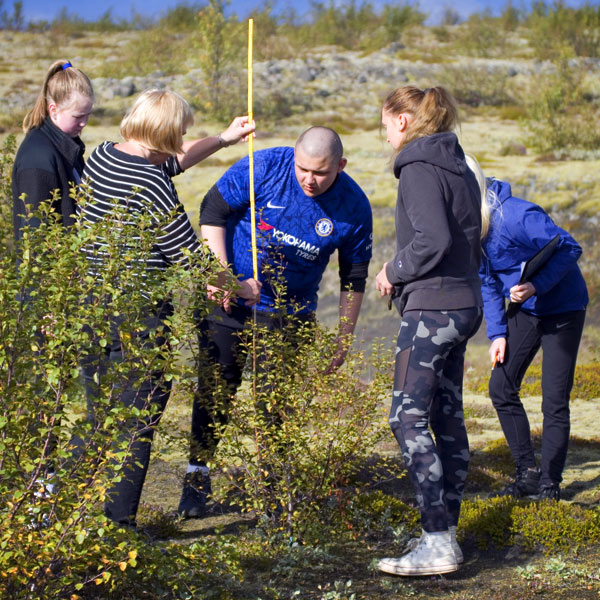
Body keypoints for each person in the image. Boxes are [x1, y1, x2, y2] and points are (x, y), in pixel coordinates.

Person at [79, 89, 256, 528]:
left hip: (90, 307)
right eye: (180, 132)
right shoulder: (153, 184)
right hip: (138, 317)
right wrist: (239, 286)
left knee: (100, 414)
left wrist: (222, 139)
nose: (182, 140)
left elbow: (166, 164)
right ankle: (121, 528)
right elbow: (189, 255)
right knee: (138, 417)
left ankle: (50, 509)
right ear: (164, 132)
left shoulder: (103, 155)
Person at [177, 126, 373, 518]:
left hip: (290, 314)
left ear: (341, 166)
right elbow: (211, 209)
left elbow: (354, 276)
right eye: (303, 169)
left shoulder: (354, 207)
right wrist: (221, 276)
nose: (309, 180)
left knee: (275, 403)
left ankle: (272, 487)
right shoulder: (265, 166)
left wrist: (344, 338)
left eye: (320, 172)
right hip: (230, 300)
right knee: (217, 389)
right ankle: (196, 478)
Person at [374, 86, 482, 576]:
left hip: (433, 308)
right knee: (445, 417)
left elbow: (432, 239)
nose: (383, 132)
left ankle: (436, 540)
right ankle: (448, 537)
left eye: (384, 122)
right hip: (463, 304)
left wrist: (393, 270)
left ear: (401, 120)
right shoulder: (458, 164)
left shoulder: (417, 166)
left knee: (406, 417)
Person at [472, 158, 588, 502]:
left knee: (554, 399)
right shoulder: (472, 224)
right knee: (501, 385)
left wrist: (537, 285)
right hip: (526, 309)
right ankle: (527, 473)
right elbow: (487, 280)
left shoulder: (519, 215)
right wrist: (497, 335)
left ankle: (550, 483)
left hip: (563, 308)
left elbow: (570, 247)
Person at [12, 59, 94, 241]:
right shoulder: (37, 158)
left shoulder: (68, 145)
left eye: (88, 114)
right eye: (78, 116)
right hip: (50, 268)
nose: (84, 123)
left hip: (69, 265)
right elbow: (34, 237)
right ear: (53, 110)